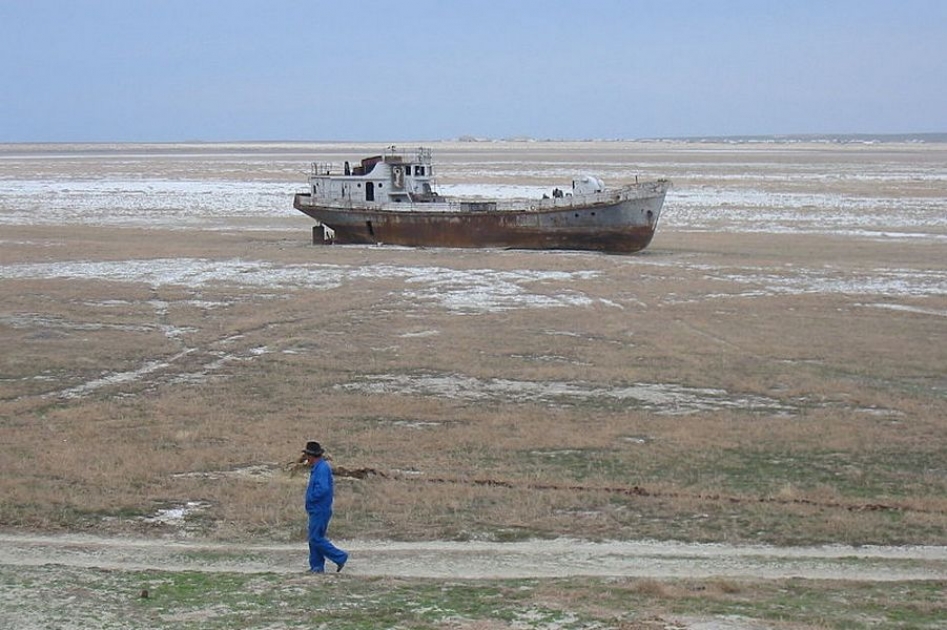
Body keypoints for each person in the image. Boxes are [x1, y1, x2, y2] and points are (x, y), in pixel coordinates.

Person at [301, 441, 348, 573]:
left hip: (319, 509)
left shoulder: (321, 468)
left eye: (307, 455)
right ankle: (317, 567)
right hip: (317, 509)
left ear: (312, 456)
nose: (306, 458)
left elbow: (323, 489)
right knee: (314, 538)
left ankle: (340, 557)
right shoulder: (319, 467)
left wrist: (311, 498)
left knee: (315, 538)